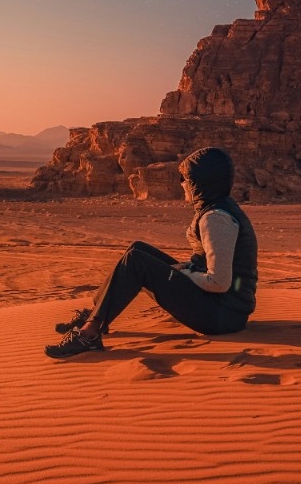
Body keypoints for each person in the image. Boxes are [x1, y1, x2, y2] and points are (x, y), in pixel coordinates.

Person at [45, 146, 258, 359]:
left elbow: (219, 281)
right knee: (137, 249)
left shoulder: (215, 218)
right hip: (225, 309)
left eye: (186, 179)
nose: (182, 184)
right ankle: (95, 315)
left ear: (200, 183)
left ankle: (89, 334)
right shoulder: (218, 207)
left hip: (222, 316)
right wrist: (181, 269)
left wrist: (181, 273)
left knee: (137, 262)